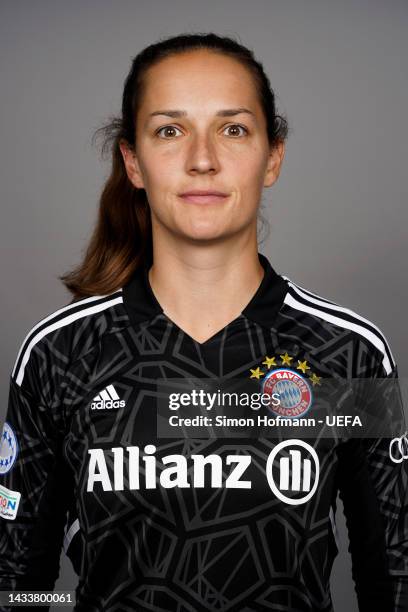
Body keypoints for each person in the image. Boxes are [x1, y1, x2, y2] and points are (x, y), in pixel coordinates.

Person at [0, 33, 407, 612]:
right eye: (170, 130)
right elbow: (19, 579)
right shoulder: (61, 353)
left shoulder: (347, 353)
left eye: (233, 128)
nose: (202, 159)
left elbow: (392, 572)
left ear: (273, 157)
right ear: (133, 162)